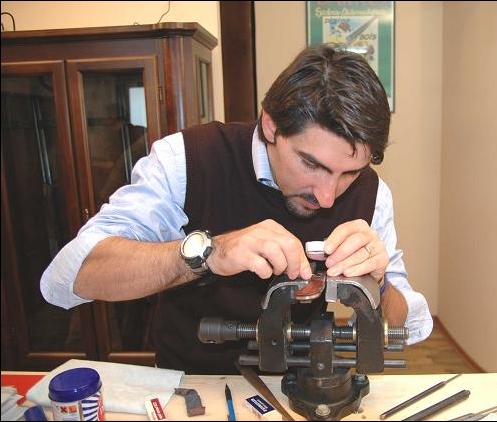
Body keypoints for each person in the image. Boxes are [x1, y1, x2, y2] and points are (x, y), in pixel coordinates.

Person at [41, 43, 433, 374]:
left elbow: (409, 327)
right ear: (270, 125)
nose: (328, 197)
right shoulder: (187, 160)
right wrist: (209, 253)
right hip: (190, 383)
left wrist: (378, 283)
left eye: (349, 172)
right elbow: (67, 278)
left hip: (298, 382)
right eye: (311, 164)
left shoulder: (372, 194)